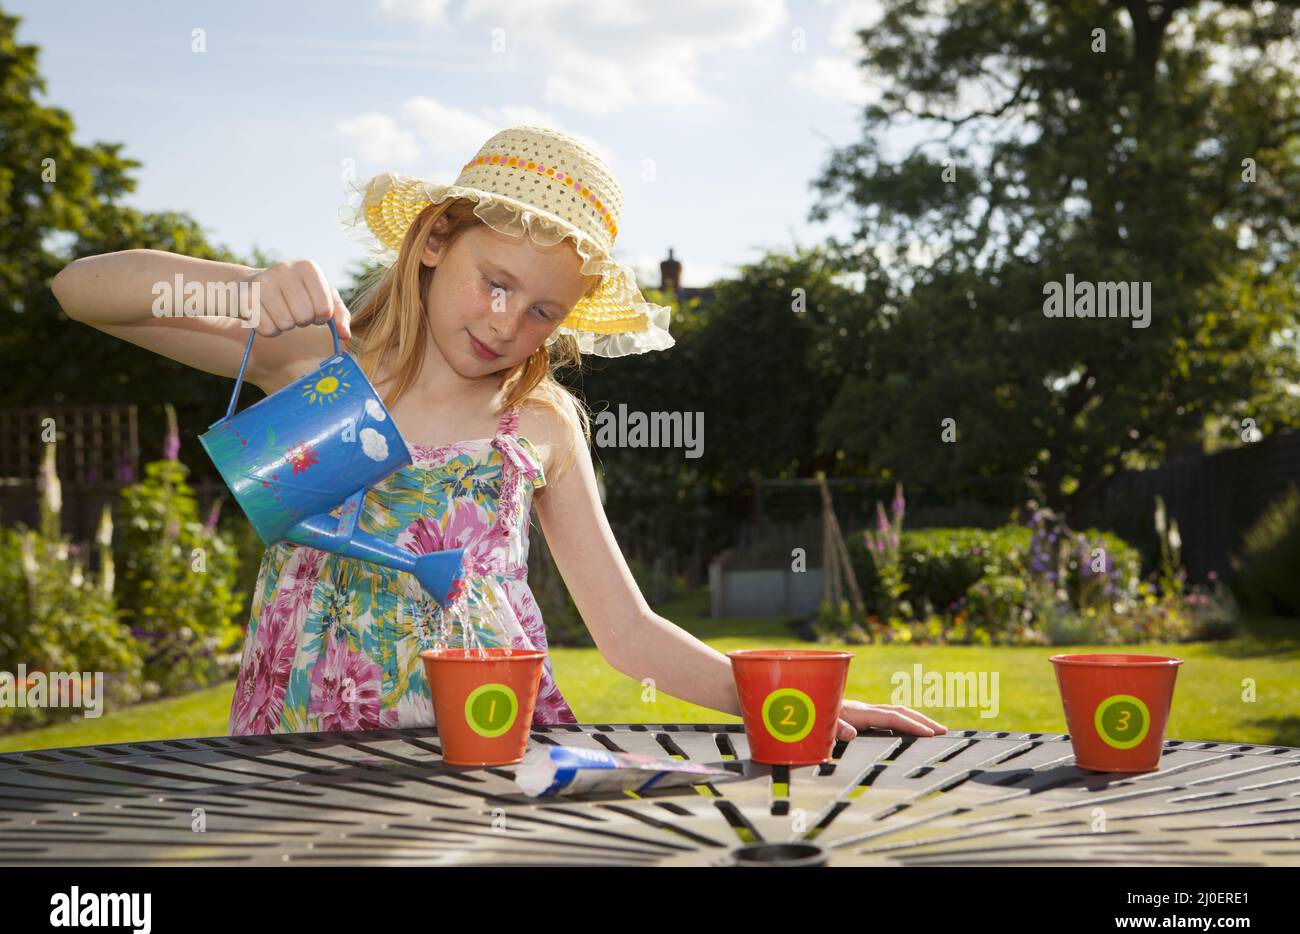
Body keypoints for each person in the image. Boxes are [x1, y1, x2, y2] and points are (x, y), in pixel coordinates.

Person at [52, 125, 947, 741]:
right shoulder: (321, 368)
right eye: (495, 279)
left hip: (482, 746)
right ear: (437, 238)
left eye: (542, 310)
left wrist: (771, 698)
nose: (505, 321)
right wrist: (244, 290)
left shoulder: (541, 425)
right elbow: (80, 289)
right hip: (304, 740)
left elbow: (627, 630)